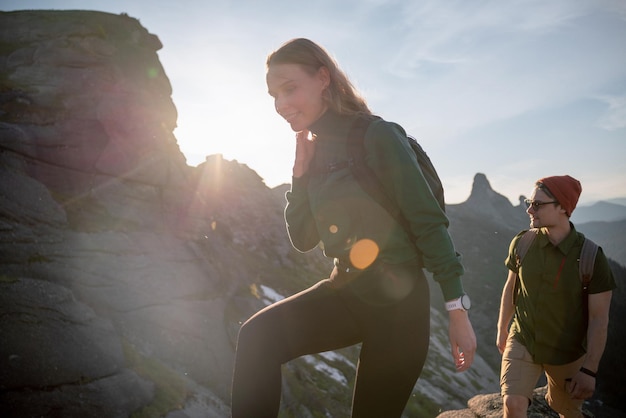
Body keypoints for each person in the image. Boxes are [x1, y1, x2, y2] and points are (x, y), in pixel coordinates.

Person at [231, 38, 476, 418]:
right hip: (344, 290)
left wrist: (457, 311)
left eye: (290, 88)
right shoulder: (314, 150)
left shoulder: (377, 135)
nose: (280, 105)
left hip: (399, 308)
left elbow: (428, 223)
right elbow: (303, 238)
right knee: (257, 338)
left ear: (323, 78)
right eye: (273, 95)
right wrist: (299, 174)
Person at [496, 175, 616, 418]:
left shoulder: (592, 257)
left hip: (567, 351)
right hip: (524, 338)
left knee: (568, 412)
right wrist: (502, 328)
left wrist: (589, 370)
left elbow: (599, 319)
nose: (530, 209)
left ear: (562, 206)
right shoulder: (522, 243)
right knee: (513, 404)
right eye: (530, 202)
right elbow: (511, 287)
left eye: (538, 204)